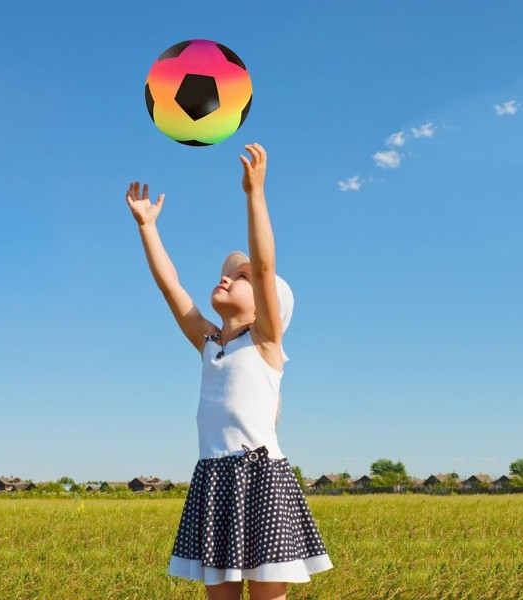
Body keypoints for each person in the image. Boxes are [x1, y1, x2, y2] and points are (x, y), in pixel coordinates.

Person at [125, 143, 333, 600]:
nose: (227, 278)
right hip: (214, 480)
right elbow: (171, 287)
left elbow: (264, 265)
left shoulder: (265, 342)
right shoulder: (208, 343)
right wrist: (147, 228)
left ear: (265, 302)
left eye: (240, 280)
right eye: (227, 274)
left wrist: (255, 193)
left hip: (262, 478)